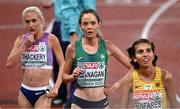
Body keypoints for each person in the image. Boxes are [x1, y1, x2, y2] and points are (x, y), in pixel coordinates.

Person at [62, 8, 131, 108]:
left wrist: (116, 86)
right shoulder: (72, 48)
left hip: (101, 103)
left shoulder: (107, 46)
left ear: (99, 24)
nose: (89, 27)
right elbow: (64, 77)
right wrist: (73, 76)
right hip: (79, 103)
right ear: (80, 27)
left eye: (93, 23)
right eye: (85, 24)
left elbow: (134, 67)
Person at [6, 6, 64, 108]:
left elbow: (62, 63)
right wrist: (24, 46)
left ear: (42, 20)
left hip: (43, 92)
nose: (31, 25)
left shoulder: (51, 39)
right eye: (27, 22)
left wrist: (56, 86)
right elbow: (9, 64)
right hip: (25, 92)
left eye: (34, 20)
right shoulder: (20, 40)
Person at [105, 39, 179, 108]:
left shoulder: (165, 77)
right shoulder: (130, 79)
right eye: (140, 52)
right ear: (134, 58)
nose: (145, 54)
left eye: (148, 51)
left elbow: (174, 106)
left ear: (153, 55)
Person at [60, 0, 97, 108]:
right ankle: (71, 104)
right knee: (78, 76)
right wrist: (72, 31)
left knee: (84, 75)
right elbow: (68, 8)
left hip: (87, 34)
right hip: (76, 35)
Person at [42, 0, 67, 105]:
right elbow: (46, 4)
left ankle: (77, 95)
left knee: (73, 60)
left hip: (70, 24)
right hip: (58, 23)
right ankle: (60, 94)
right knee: (57, 60)